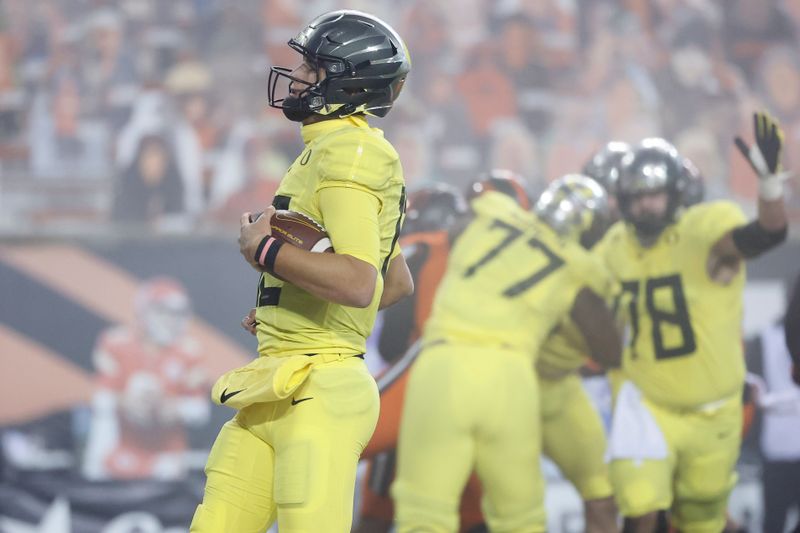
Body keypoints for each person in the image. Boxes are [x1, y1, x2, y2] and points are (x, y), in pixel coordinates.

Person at [190, 10, 413, 533]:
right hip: (278, 378)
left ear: (350, 82)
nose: (297, 77)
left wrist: (265, 251)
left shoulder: (350, 152)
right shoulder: (329, 150)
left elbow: (360, 283)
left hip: (321, 387)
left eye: (313, 68)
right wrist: (294, 299)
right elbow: (395, 282)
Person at [392, 174, 622, 532]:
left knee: (423, 513)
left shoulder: (493, 213)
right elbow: (611, 350)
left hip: (444, 364)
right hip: (511, 376)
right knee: (520, 518)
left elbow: (474, 198)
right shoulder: (579, 266)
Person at [598, 113, 789, 533]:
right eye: (635, 196)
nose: (644, 205)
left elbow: (768, 234)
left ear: (677, 193)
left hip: (713, 407)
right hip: (645, 404)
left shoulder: (704, 231)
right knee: (639, 508)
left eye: (654, 195)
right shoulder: (614, 246)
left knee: (701, 519)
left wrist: (770, 185)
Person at [83, 277, 208, 480]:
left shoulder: (190, 351)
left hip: (164, 452)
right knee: (101, 422)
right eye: (163, 312)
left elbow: (199, 411)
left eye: (177, 313)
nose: (170, 320)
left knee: (168, 476)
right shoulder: (116, 343)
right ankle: (96, 470)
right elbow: (99, 400)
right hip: (122, 444)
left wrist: (172, 408)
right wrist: (126, 401)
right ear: (143, 311)